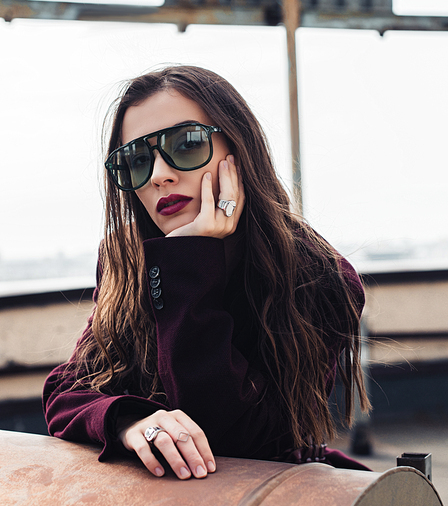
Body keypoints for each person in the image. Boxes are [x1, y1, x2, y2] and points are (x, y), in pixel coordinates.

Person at [43, 65, 371, 480]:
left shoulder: (322, 276)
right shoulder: (127, 257)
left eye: (186, 143)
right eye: (137, 160)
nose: (160, 175)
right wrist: (130, 422)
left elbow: (237, 441)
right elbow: (66, 391)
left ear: (239, 146)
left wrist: (189, 262)